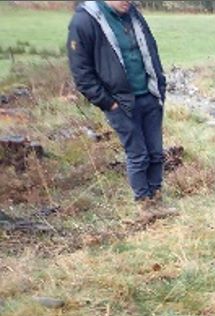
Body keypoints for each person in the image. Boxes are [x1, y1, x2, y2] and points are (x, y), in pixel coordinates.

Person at [67, 1, 172, 217]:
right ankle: (144, 204)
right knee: (138, 154)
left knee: (155, 153)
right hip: (120, 102)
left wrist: (159, 87)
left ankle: (157, 199)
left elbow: (151, 51)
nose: (128, 1)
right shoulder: (84, 21)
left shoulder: (133, 15)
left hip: (149, 96)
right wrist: (108, 103)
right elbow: (81, 73)